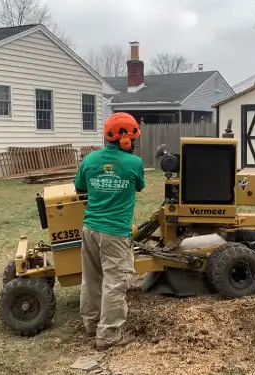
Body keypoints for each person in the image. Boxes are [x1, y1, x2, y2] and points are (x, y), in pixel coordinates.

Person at [74, 112, 145, 351]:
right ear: (126, 139)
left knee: (92, 278)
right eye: (132, 138)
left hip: (90, 228)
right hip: (115, 232)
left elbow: (79, 187)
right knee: (115, 282)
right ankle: (108, 336)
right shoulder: (134, 163)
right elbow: (140, 186)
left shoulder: (90, 159)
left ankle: (91, 325)